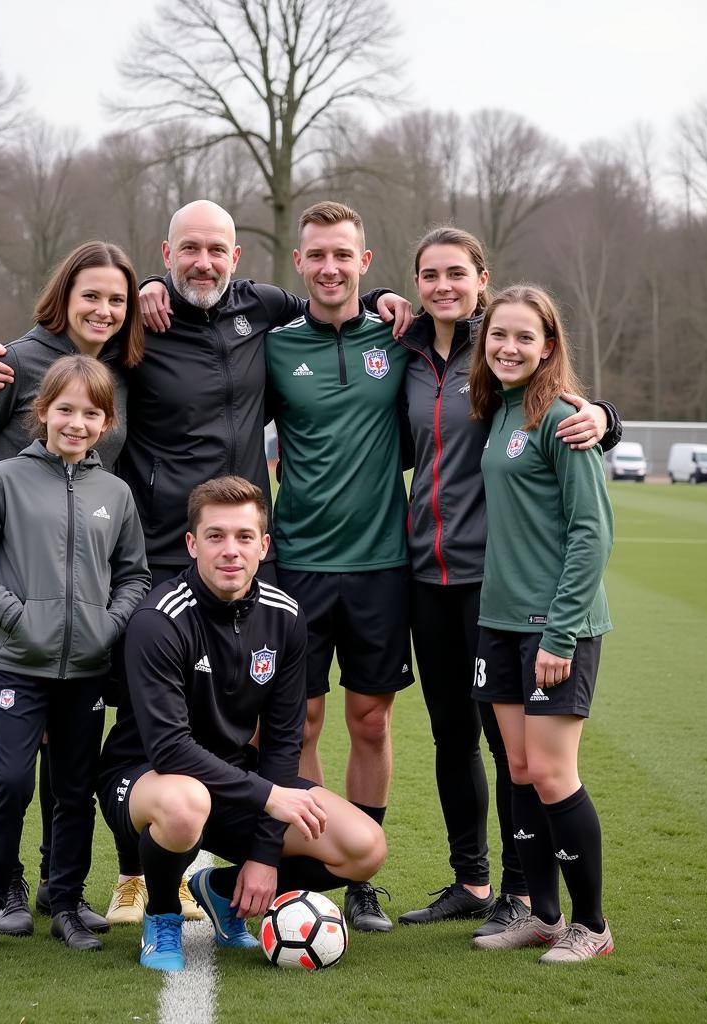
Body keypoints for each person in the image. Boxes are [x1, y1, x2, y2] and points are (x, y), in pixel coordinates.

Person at [0, 199, 411, 923]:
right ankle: (121, 875)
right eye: (187, 250)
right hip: (156, 552)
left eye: (216, 250)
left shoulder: (262, 308)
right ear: (165, 255)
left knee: (266, 714)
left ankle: (244, 868)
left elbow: (328, 292)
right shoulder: (144, 317)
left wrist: (390, 295)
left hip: (240, 546)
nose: (202, 262)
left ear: (237, 260)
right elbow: (68, 345)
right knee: (127, 714)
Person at [397, 228, 621, 935]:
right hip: (440, 583)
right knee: (473, 746)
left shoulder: (525, 384)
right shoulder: (407, 355)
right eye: (428, 274)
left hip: (514, 596)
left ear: (481, 280)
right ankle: (491, 889)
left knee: (527, 760)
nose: (442, 285)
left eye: (456, 273)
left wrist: (605, 416)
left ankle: (543, 904)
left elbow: (585, 501)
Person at [97, 476, 387, 972]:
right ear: (192, 544)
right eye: (215, 536)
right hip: (145, 776)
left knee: (364, 848)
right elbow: (169, 750)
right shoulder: (158, 620)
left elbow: (281, 740)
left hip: (237, 780)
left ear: (263, 545)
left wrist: (265, 854)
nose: (230, 551)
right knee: (187, 802)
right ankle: (163, 915)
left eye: (244, 537)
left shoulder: (286, 617)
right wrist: (269, 797)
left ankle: (219, 891)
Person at [0, 241, 144, 937]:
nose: (103, 309)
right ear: (65, 294)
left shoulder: (120, 369)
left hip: (84, 615)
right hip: (10, 592)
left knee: (71, 768)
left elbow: (128, 551)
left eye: (117, 299)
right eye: (92, 295)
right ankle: (2, 893)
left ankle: (65, 891)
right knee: (11, 756)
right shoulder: (17, 362)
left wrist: (109, 619)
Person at [263, 201, 413, 933]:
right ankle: (317, 869)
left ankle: (360, 881)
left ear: (365, 258)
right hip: (296, 563)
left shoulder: (401, 335)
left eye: (341, 255)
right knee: (302, 721)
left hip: (384, 564)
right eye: (316, 255)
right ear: (299, 263)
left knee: (371, 720)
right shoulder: (274, 344)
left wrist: (600, 415)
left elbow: (495, 331)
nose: (329, 267)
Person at [466, 284, 614, 962]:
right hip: (497, 621)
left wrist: (559, 632)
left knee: (554, 774)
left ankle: (593, 924)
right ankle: (542, 914)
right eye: (499, 335)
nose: (509, 347)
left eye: (525, 337)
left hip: (556, 626)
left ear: (549, 345)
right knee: (520, 768)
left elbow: (592, 533)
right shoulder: (497, 411)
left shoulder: (564, 419)